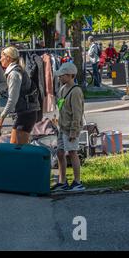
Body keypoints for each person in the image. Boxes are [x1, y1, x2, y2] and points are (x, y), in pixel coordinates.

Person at [51, 63, 85, 192]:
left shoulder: (76, 91)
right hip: (62, 126)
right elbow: (60, 106)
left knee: (72, 152)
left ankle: (77, 182)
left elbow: (77, 113)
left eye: (62, 75)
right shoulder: (62, 89)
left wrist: (74, 131)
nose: (59, 78)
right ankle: (62, 180)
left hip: (70, 128)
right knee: (60, 153)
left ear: (71, 75)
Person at [0, 47, 40, 144]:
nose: (0, 59)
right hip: (25, 113)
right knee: (16, 148)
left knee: (18, 149)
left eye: (2, 56)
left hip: (26, 114)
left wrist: (2, 116)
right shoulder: (16, 71)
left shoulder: (14, 74)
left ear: (8, 58)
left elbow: (12, 99)